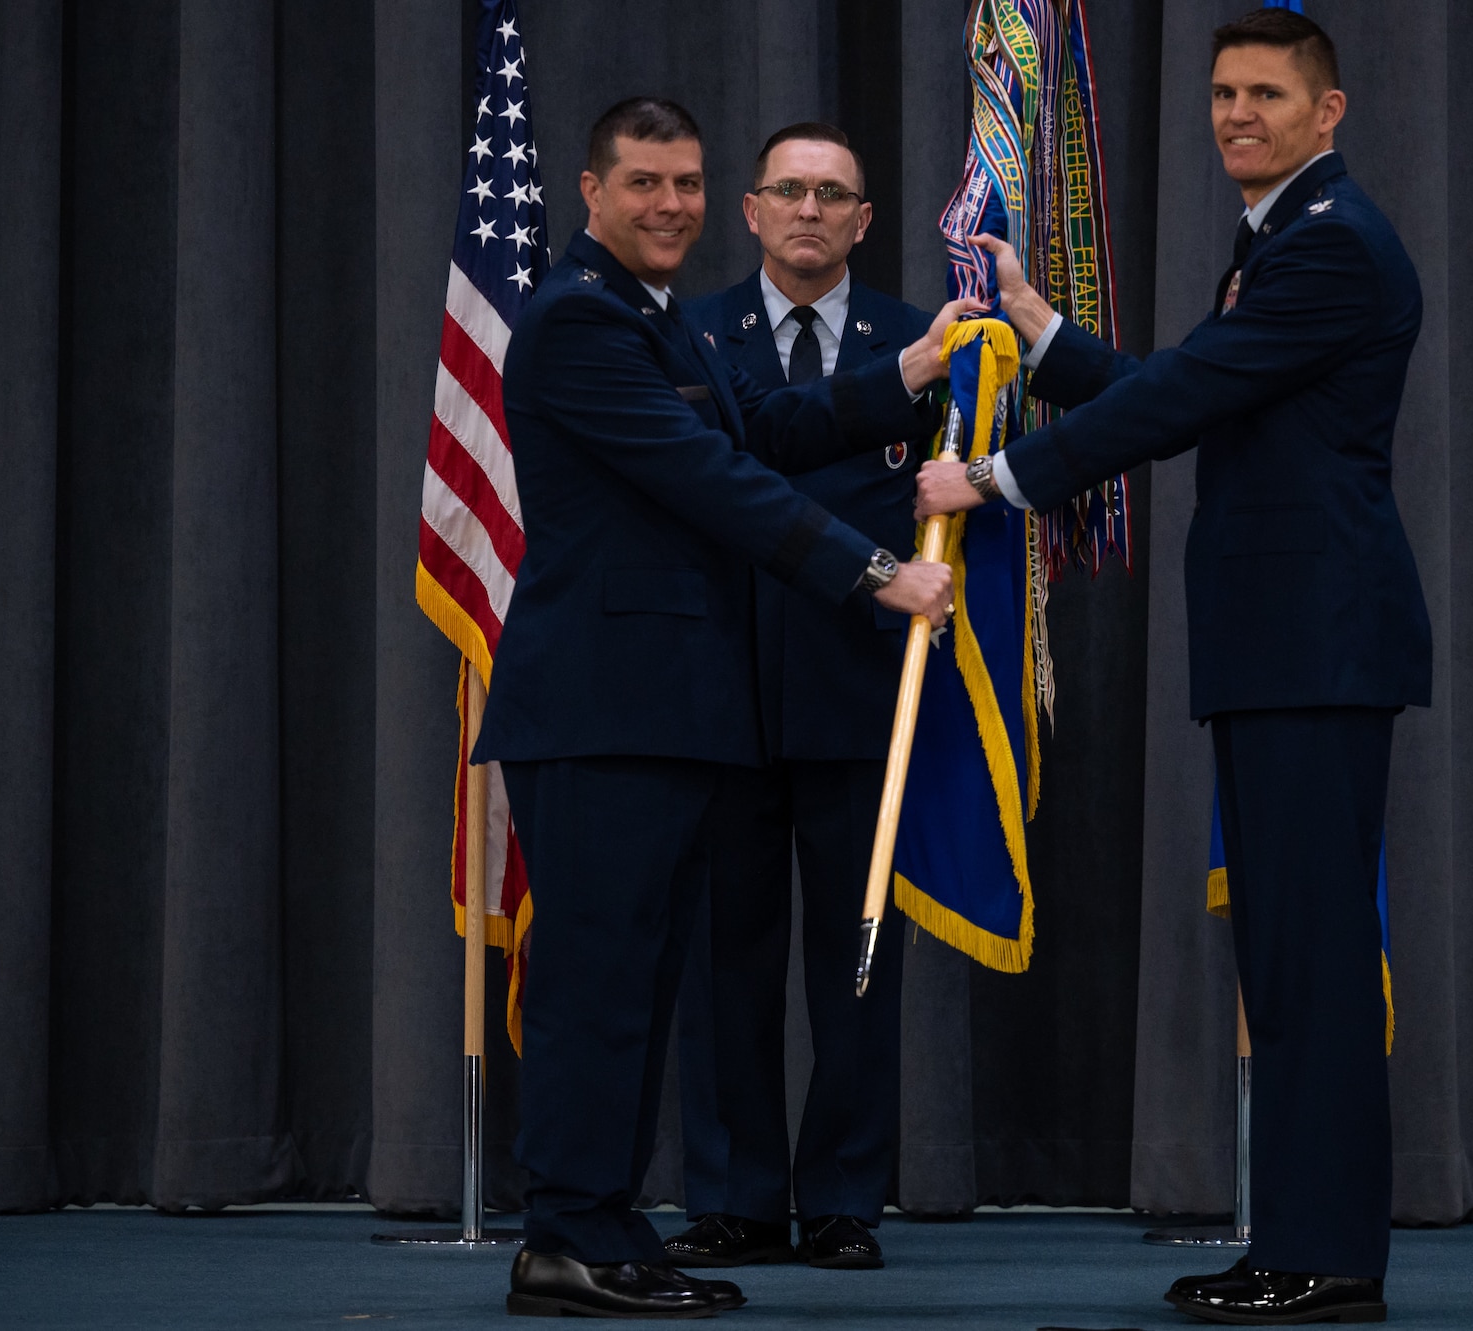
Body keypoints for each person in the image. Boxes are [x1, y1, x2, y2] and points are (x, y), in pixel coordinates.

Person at [915, 10, 1430, 1325]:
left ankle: (1328, 1256)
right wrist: (1035, 320)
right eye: (1221, 94)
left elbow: (1181, 400)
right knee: (1285, 954)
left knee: (1311, 959)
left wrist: (995, 476)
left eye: (1267, 92)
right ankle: (1298, 1243)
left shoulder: (1331, 249)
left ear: (1331, 113)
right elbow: (1193, 383)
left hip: (1314, 645)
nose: (1235, 114)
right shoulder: (1284, 242)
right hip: (1281, 646)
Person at [473, 96, 976, 1320]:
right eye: (644, 182)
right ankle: (562, 1238)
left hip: (656, 715)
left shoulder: (659, 325)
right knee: (598, 984)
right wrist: (877, 571)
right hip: (600, 711)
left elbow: (774, 424)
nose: (670, 205)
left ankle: (596, 1224)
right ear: (590, 191)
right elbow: (717, 480)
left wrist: (901, 374)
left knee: (634, 986)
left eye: (687, 183)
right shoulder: (579, 321)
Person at [663, 123, 933, 1274]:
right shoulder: (687, 332)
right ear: (752, 210)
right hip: (719, 684)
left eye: (834, 194)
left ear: (863, 221)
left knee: (857, 960)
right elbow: (726, 466)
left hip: (864, 686)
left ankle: (842, 1198)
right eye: (790, 190)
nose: (811, 210)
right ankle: (732, 1193)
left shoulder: (925, 338)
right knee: (727, 958)